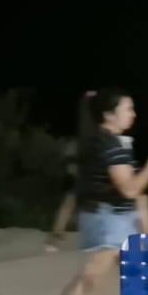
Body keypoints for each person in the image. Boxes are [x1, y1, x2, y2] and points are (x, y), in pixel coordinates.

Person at [53, 89, 148, 295]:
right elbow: (130, 189)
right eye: (128, 109)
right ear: (109, 115)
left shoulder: (102, 142)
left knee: (142, 273)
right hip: (110, 221)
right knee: (89, 277)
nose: (133, 114)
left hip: (110, 217)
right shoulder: (110, 145)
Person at [45, 91, 93, 253]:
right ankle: (56, 234)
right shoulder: (82, 136)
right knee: (70, 200)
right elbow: (85, 122)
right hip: (84, 172)